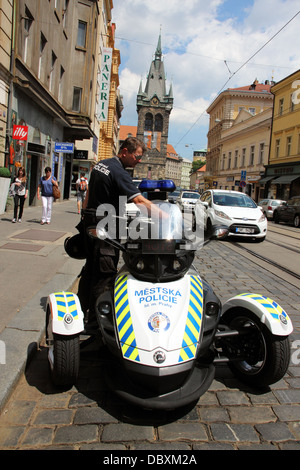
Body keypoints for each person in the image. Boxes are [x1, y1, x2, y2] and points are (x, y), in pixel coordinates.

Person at [77, 136, 165, 322]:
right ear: (125, 152)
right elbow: (139, 200)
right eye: (136, 156)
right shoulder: (119, 171)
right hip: (106, 228)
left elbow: (89, 195)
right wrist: (164, 216)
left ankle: (81, 310)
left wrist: (84, 216)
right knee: (105, 273)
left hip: (91, 224)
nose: (138, 160)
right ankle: (97, 320)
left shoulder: (101, 165)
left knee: (89, 270)